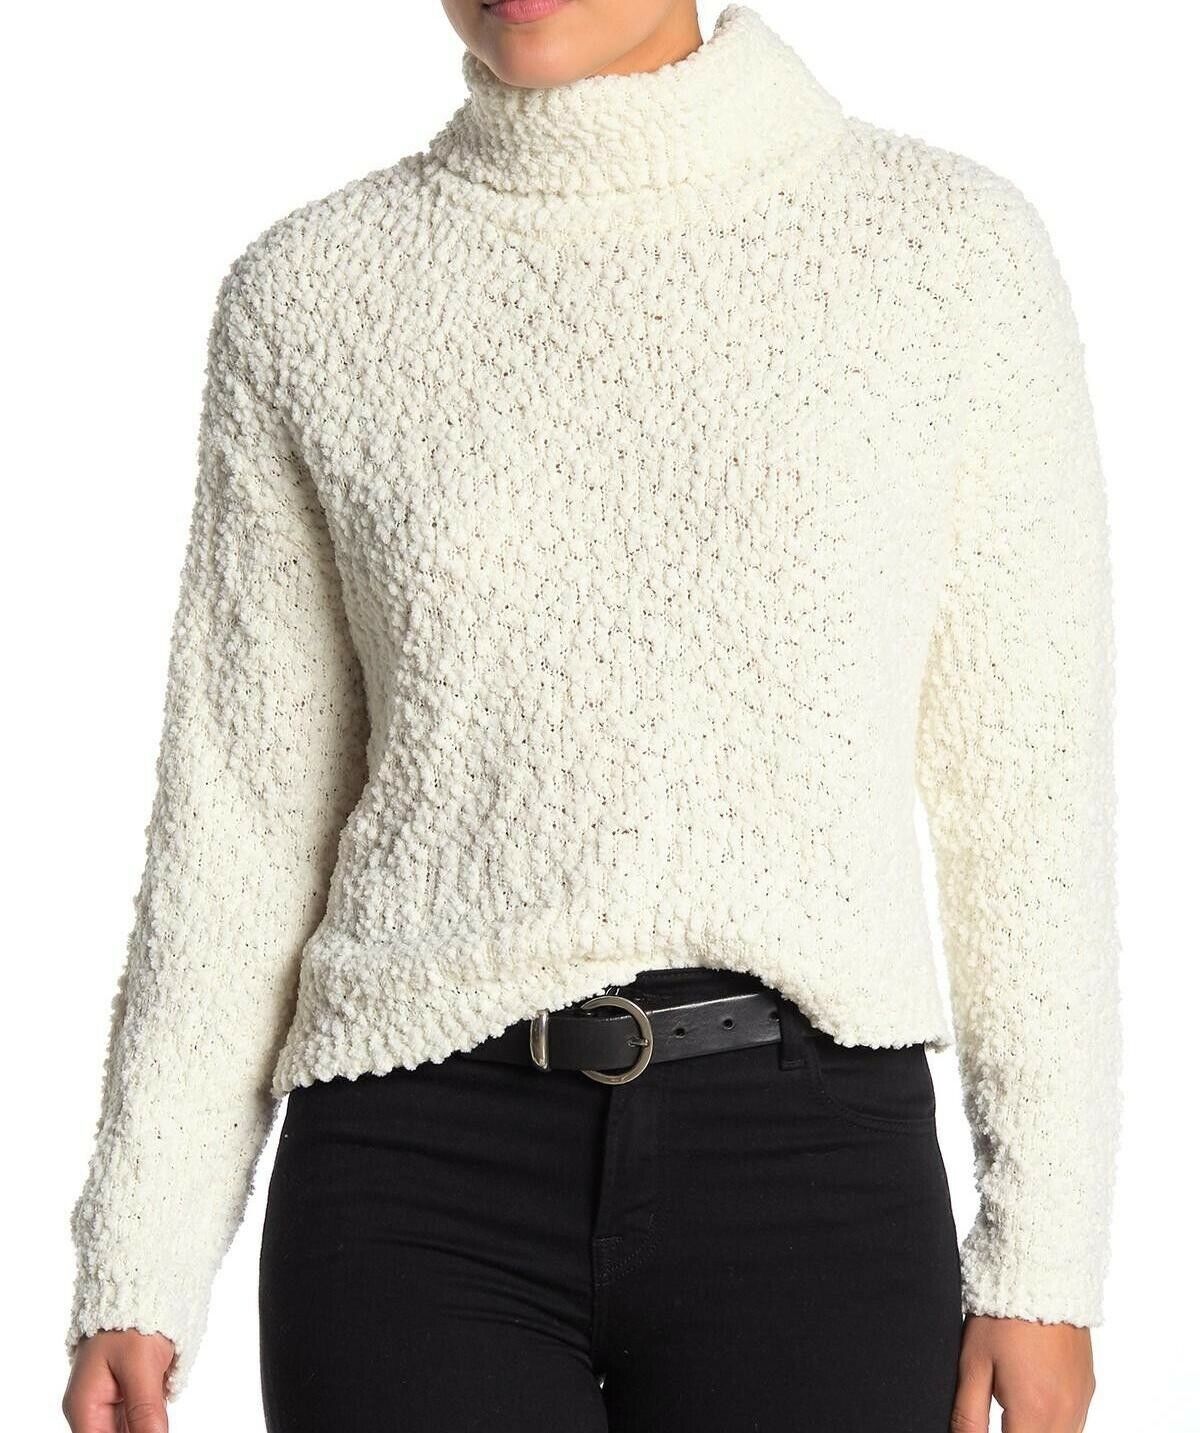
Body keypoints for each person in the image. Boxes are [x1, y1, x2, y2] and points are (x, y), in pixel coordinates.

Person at [61, 2, 1123, 1430]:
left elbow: (1027, 792)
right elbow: (242, 814)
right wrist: (140, 1254)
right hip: (411, 1181)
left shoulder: (946, 255)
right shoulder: (311, 293)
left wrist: (1044, 1252)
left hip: (809, 1170)